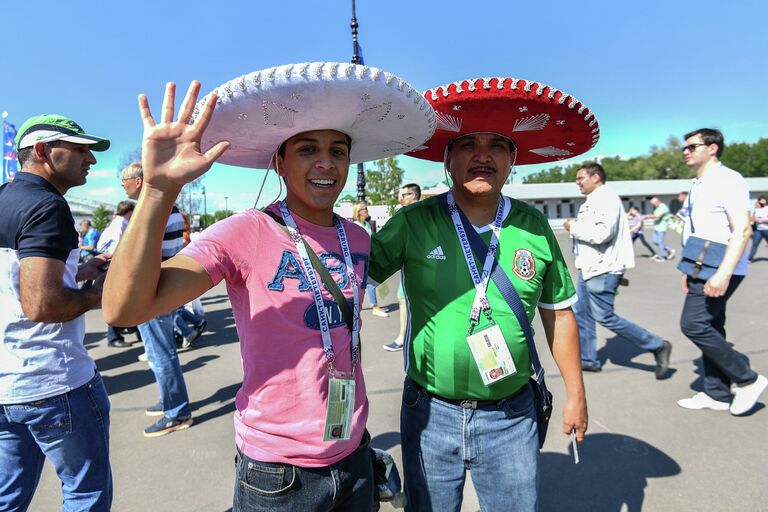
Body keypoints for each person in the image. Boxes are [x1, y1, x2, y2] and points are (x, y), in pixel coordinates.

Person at [103, 63, 434, 510]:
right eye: (307, 149)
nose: (325, 162)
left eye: (338, 151)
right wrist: (158, 192)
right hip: (277, 474)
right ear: (279, 161)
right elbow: (124, 310)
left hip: (353, 454)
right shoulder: (246, 231)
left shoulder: (357, 238)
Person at [370, 76, 589, 511]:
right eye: (469, 144)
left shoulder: (534, 226)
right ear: (448, 160)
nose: (483, 155)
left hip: (511, 416)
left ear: (513, 160)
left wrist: (576, 395)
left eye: (497, 146)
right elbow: (345, 277)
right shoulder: (414, 222)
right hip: (428, 414)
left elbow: (558, 315)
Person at [0, 114, 112, 510]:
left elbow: (16, 281)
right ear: (44, 151)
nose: (91, 160)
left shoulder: (4, 196)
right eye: (80, 149)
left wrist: (79, 270)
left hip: (7, 384)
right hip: (54, 381)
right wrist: (100, 294)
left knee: (7, 498)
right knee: (85, 492)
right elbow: (42, 305)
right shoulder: (47, 206)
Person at [676, 128, 766, 415]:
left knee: (694, 324)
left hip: (720, 267)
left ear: (712, 148)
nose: (686, 151)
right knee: (712, 325)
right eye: (684, 147)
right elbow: (699, 230)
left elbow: (742, 229)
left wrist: (723, 273)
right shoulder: (698, 184)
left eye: (692, 146)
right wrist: (688, 270)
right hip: (700, 265)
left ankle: (747, 379)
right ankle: (716, 393)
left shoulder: (728, 180)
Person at [564, 163, 672, 376]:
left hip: (603, 268)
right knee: (582, 313)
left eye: (581, 178)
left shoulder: (605, 198)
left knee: (604, 316)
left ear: (596, 177)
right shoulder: (594, 199)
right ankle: (588, 359)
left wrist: (573, 227)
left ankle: (658, 345)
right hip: (589, 267)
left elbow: (602, 233)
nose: (577, 182)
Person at [120, 161, 193, 436]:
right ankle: (170, 402)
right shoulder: (168, 205)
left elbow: (140, 254)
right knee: (159, 352)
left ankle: (177, 411)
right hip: (165, 286)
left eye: (124, 181)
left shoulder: (150, 209)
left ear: (137, 181)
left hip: (151, 290)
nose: (122, 185)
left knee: (161, 354)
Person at [382, 183, 421, 352]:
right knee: (404, 300)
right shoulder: (415, 213)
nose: (401, 198)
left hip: (417, 267)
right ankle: (405, 337)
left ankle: (403, 338)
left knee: (405, 301)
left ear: (414, 195)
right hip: (411, 266)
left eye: (404, 195)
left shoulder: (414, 214)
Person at [97, 200, 141, 348]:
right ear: (129, 212)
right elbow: (118, 249)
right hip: (115, 266)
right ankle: (115, 336)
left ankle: (133, 330)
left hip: (114, 265)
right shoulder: (120, 225)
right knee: (120, 301)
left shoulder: (118, 223)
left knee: (126, 301)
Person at [352, 201, 389, 318]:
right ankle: (374, 308)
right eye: (364, 209)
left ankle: (370, 307)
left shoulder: (367, 225)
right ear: (358, 212)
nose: (367, 211)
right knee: (366, 284)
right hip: (359, 260)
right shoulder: (355, 226)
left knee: (367, 284)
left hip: (369, 258)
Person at [646, 196, 674, 261]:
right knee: (655, 241)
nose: (653, 205)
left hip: (662, 227)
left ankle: (661, 257)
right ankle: (670, 250)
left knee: (660, 242)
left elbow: (658, 216)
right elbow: (656, 216)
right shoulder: (658, 207)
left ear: (657, 202)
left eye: (653, 204)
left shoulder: (663, 207)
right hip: (657, 227)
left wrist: (649, 216)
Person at [747, 195, 768, 262]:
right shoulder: (756, 209)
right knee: (755, 244)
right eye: (761, 200)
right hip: (758, 230)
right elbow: (752, 218)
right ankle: (749, 258)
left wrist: (762, 220)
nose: (762, 202)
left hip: (766, 229)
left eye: (763, 200)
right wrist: (757, 219)